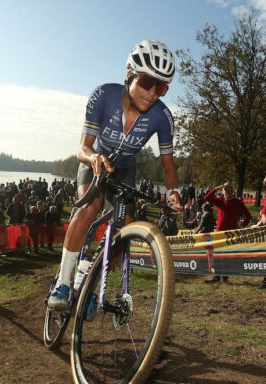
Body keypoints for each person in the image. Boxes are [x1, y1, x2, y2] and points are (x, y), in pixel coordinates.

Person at [48, 39, 182, 311]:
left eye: (162, 87)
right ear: (130, 74)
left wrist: (174, 193)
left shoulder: (163, 117)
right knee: (90, 207)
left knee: (126, 229)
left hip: (125, 169)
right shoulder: (103, 96)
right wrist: (94, 157)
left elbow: (168, 166)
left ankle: (89, 276)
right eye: (147, 82)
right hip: (95, 161)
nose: (153, 93)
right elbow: (82, 147)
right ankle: (63, 282)